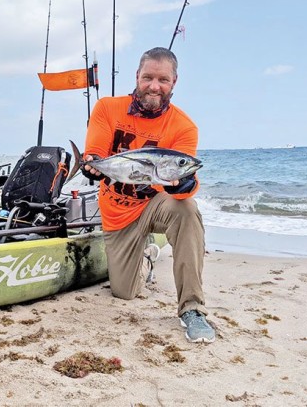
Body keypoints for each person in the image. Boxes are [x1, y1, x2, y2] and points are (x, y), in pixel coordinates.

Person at [82, 46, 215, 343]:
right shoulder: (107, 108)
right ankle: (148, 256)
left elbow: (183, 177)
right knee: (124, 293)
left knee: (187, 210)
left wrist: (182, 184)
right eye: (148, 78)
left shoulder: (184, 127)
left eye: (163, 80)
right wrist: (91, 164)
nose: (155, 86)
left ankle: (192, 309)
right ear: (137, 77)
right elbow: (96, 153)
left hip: (154, 205)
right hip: (117, 213)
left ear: (174, 82)